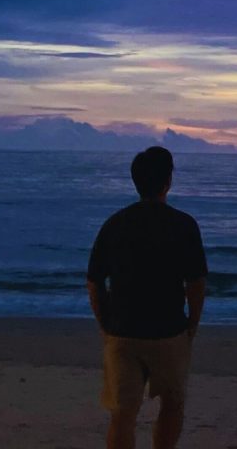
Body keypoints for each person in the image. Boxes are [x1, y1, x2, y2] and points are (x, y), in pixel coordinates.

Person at [87, 146, 207, 449]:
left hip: (123, 332)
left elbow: (94, 282)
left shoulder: (115, 224)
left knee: (122, 414)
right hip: (167, 331)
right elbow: (195, 283)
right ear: (168, 182)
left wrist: (106, 324)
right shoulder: (183, 225)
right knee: (173, 404)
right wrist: (192, 324)